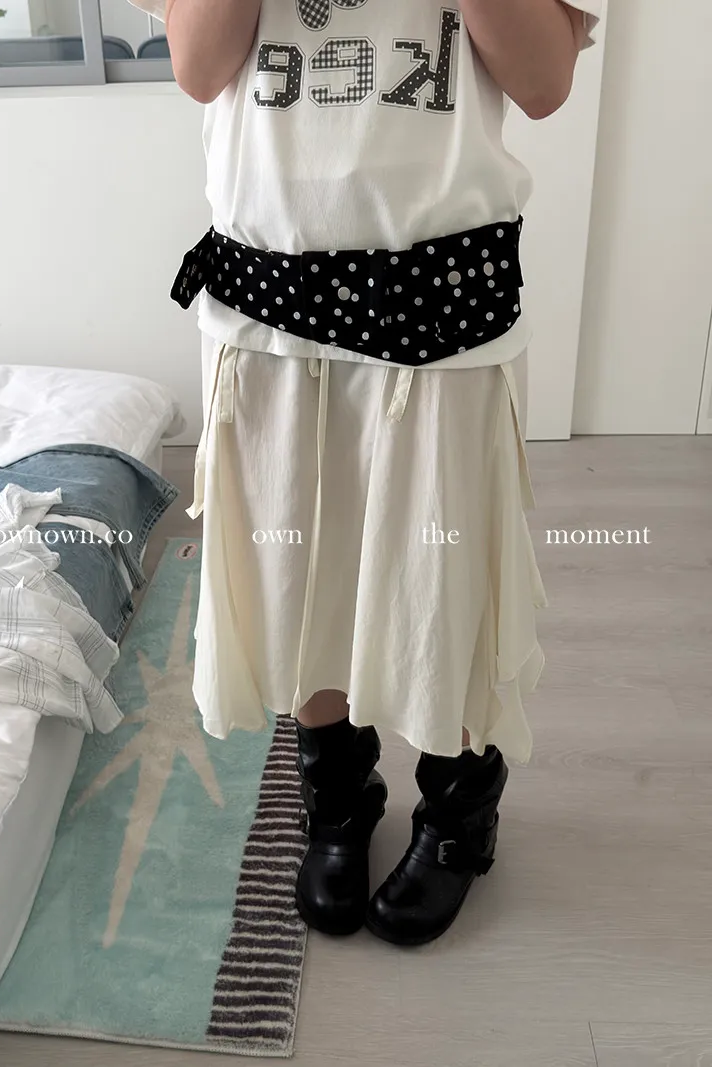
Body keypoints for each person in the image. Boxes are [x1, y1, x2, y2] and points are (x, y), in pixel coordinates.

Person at [129, 0, 600, 945]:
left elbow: (544, 82)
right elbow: (200, 65)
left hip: (444, 307)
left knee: (445, 580)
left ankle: (459, 813)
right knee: (298, 575)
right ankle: (338, 798)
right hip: (268, 307)